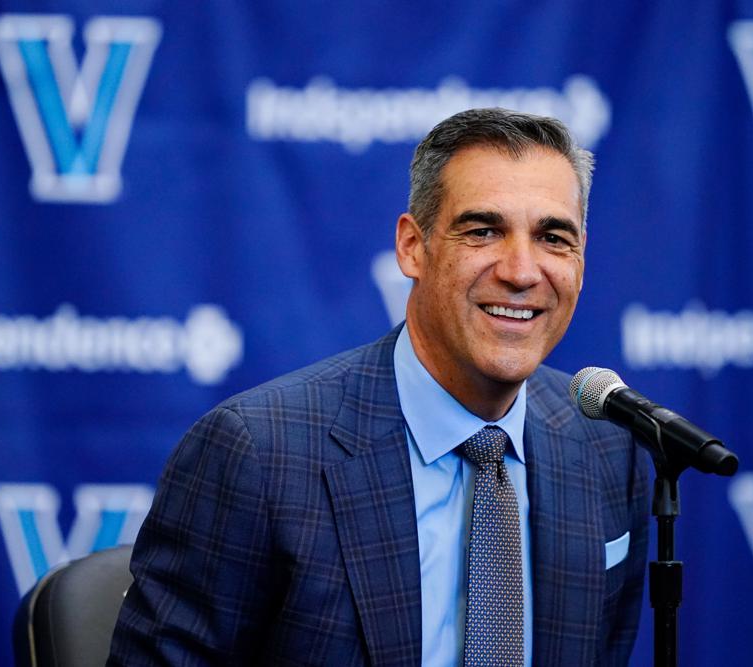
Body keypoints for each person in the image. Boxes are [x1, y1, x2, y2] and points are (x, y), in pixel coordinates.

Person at [108, 108, 650, 666]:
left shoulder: (610, 446)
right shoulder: (256, 454)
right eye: (483, 230)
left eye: (552, 237)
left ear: (581, 260)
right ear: (412, 247)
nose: (520, 270)